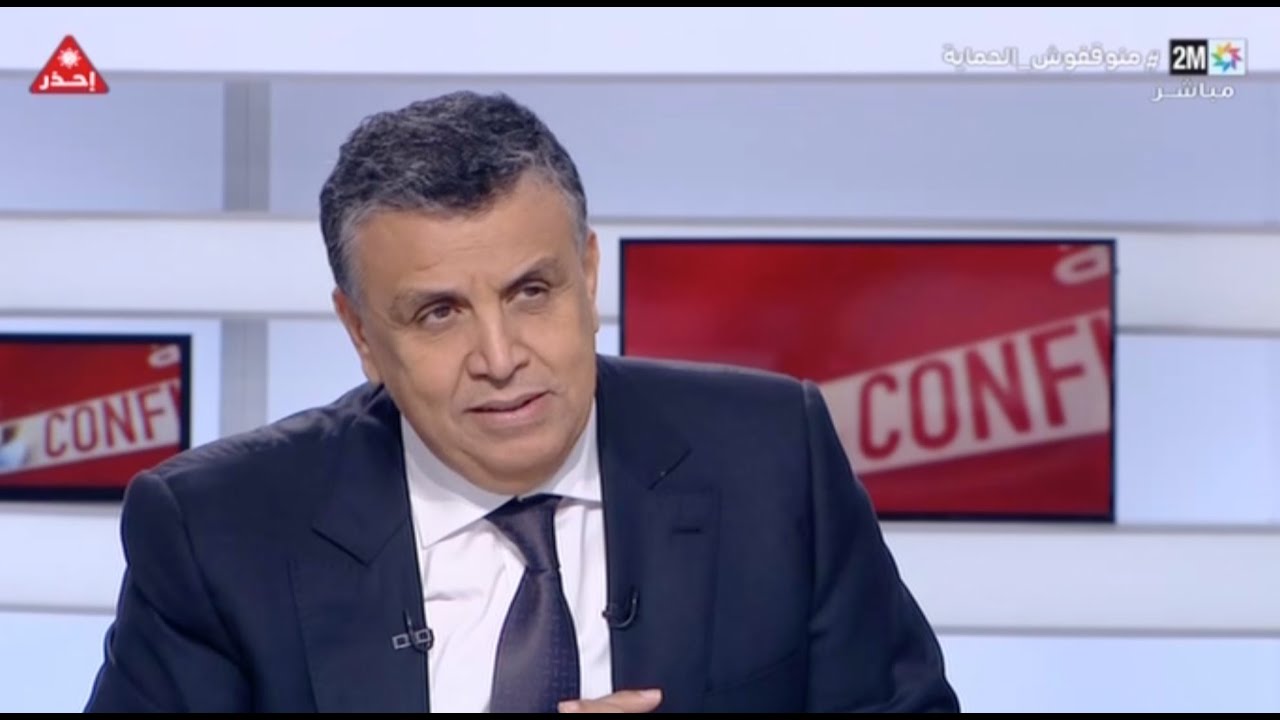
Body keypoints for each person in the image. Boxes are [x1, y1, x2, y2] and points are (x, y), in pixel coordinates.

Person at [84, 90, 959, 713]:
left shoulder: (772, 459)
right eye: (438, 313)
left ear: (588, 272)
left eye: (532, 292)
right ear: (360, 333)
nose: (501, 359)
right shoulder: (220, 531)